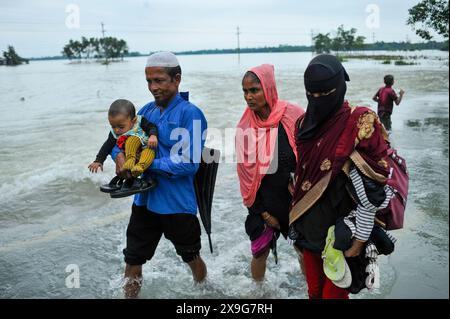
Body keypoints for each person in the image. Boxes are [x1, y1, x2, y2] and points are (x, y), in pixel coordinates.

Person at [289, 54, 393, 299]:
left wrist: (358, 242)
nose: (317, 101)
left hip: (341, 234)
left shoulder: (361, 123)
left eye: (324, 94)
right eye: (311, 94)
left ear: (341, 86)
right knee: (313, 292)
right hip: (307, 228)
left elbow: (373, 192)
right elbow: (303, 176)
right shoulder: (303, 124)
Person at [111, 52, 208, 298]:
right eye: (149, 81)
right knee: (132, 259)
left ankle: (204, 293)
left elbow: (189, 164)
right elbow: (117, 138)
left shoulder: (191, 114)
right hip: (144, 201)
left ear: (176, 79)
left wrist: (143, 166)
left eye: (159, 80)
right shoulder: (145, 112)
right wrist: (119, 157)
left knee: (191, 257)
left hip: (177, 204)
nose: (153, 87)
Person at [236, 64, 304, 282]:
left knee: (305, 252)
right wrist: (264, 213)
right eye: (245, 91)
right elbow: (246, 179)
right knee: (259, 252)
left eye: (254, 90)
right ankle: (259, 294)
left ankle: (311, 291)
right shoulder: (244, 128)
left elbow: (310, 156)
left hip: (296, 200)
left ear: (268, 88)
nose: (248, 96)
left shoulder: (293, 115)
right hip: (264, 203)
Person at [88, 99, 158, 195]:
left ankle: (137, 173)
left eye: (121, 127)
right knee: (121, 146)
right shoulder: (115, 133)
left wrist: (153, 135)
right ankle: (127, 177)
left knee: (139, 146)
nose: (116, 130)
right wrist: (98, 161)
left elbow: (151, 127)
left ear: (133, 121)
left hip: (142, 149)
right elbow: (107, 145)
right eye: (113, 126)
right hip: (127, 156)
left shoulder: (139, 122)